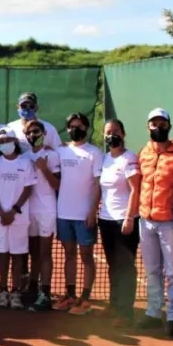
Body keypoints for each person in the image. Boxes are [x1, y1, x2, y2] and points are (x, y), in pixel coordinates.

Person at [137, 108, 173, 335]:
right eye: (153, 123)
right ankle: (153, 311)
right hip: (146, 221)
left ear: (169, 125)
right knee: (152, 270)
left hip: (169, 222)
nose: (158, 127)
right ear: (148, 126)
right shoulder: (144, 153)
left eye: (162, 123)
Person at [52, 112, 102, 315]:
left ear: (87, 128)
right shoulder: (60, 151)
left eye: (80, 126)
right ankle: (70, 295)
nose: (76, 130)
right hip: (64, 213)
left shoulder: (95, 153)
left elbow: (98, 184)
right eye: (72, 126)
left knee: (86, 256)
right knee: (69, 255)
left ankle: (86, 298)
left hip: (84, 214)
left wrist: (92, 211)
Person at [0, 128, 36, 310]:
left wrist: (13, 211)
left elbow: (28, 189)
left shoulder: (26, 163)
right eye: (1, 141)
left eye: (8, 140)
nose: (5, 143)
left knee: (18, 255)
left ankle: (16, 292)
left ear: (15, 141)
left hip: (19, 218)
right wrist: (1, 212)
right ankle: (3, 291)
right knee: (2, 254)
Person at [97, 119, 141, 327]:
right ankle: (114, 304)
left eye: (115, 131)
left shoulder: (129, 158)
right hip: (105, 220)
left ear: (123, 134)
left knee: (125, 266)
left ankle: (126, 311)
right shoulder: (104, 158)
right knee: (113, 265)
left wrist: (129, 217)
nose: (111, 135)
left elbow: (135, 189)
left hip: (124, 221)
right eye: (108, 132)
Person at [23, 119, 61, 312]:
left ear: (44, 134)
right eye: (29, 133)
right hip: (29, 211)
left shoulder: (52, 156)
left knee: (45, 252)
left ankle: (45, 293)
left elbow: (57, 185)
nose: (33, 136)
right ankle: (32, 287)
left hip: (47, 209)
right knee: (33, 252)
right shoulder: (24, 157)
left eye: (36, 132)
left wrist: (44, 168)